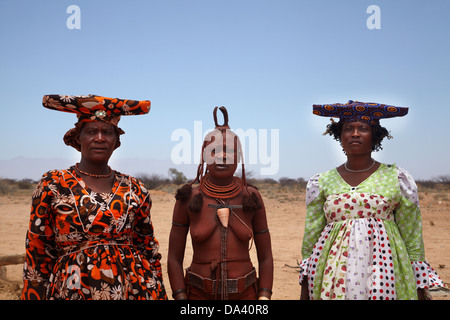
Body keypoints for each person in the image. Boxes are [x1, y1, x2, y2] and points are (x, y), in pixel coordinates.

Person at [21, 94, 167, 300]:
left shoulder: (135, 188)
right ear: (78, 138)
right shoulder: (54, 184)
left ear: (116, 141)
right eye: (91, 131)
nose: (100, 137)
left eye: (107, 132)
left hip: (135, 290)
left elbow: (148, 247)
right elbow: (37, 252)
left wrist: (160, 291)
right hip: (73, 290)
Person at [299, 100, 445, 300]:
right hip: (333, 272)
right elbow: (312, 235)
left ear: (375, 136)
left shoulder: (396, 177)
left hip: (385, 271)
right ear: (339, 135)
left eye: (363, 128)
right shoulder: (322, 181)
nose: (355, 134)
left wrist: (420, 285)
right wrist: (305, 285)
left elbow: (411, 234)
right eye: (348, 128)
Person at [168, 106, 273, 300]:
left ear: (239, 156)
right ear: (204, 156)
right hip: (198, 295)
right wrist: (180, 296)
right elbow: (174, 258)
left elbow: (265, 257)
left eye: (230, 151)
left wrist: (264, 296)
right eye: (214, 151)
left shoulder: (251, 197)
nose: (222, 156)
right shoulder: (188, 197)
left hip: (246, 295)